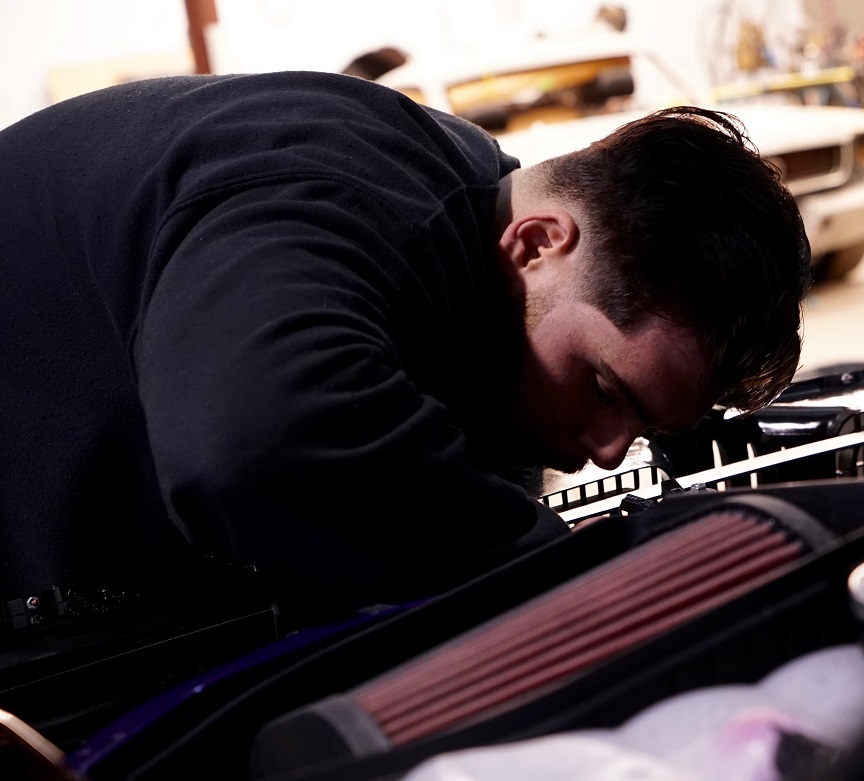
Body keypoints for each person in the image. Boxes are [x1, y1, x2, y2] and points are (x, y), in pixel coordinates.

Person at [0, 71, 810, 617]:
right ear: (536, 244)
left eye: (642, 428)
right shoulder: (335, 183)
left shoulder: (486, 284)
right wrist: (567, 581)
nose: (606, 450)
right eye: (605, 387)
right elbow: (260, 444)